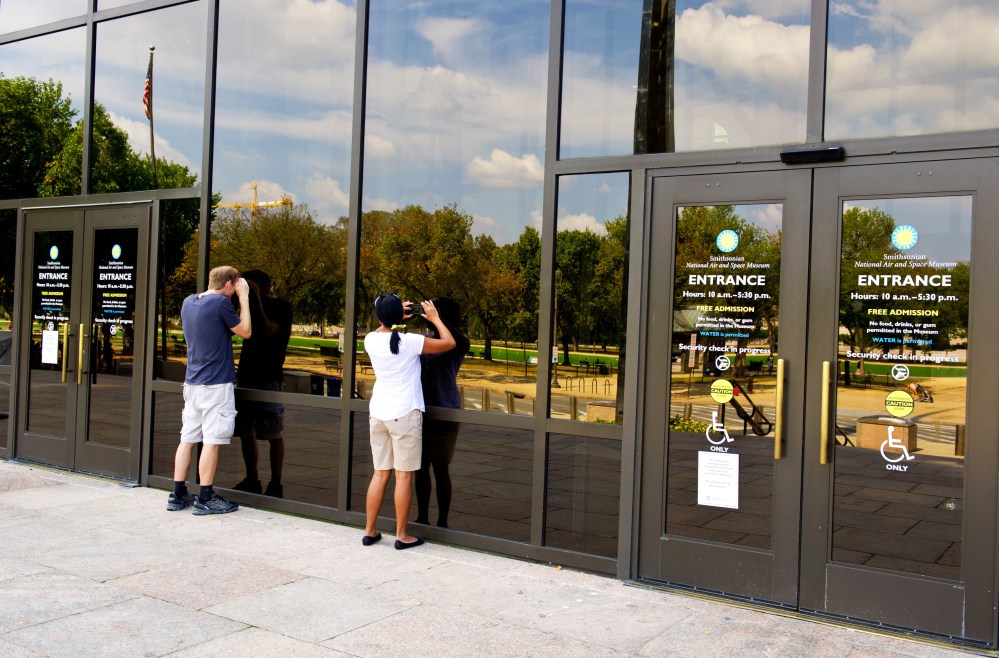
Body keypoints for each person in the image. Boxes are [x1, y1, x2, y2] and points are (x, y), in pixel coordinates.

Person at [361, 293, 455, 549]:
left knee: (380, 474)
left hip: (378, 412)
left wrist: (392, 315)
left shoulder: (369, 340)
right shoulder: (411, 341)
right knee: (403, 477)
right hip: (404, 413)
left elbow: (385, 327)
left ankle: (370, 530)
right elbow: (448, 343)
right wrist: (434, 318)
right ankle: (401, 535)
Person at [166, 265, 251, 515]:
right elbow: (246, 331)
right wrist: (244, 299)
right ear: (229, 285)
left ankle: (178, 494)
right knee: (212, 441)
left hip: (192, 383)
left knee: (188, 438)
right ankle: (206, 496)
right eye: (235, 286)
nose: (236, 291)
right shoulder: (221, 304)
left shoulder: (189, 302)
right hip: (215, 385)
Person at [233, 270, 293, 498]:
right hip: (248, 374)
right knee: (246, 430)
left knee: (273, 432)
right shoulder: (246, 306)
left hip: (269, 376)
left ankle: (275, 483)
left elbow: (268, 329)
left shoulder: (281, 307)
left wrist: (255, 298)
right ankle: (252, 477)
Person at [415, 297, 469, 528]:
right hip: (421, 409)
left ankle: (443, 520)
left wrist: (437, 319)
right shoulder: (424, 341)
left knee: (440, 467)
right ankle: (423, 516)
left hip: (445, 408)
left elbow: (458, 340)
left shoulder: (458, 342)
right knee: (420, 467)